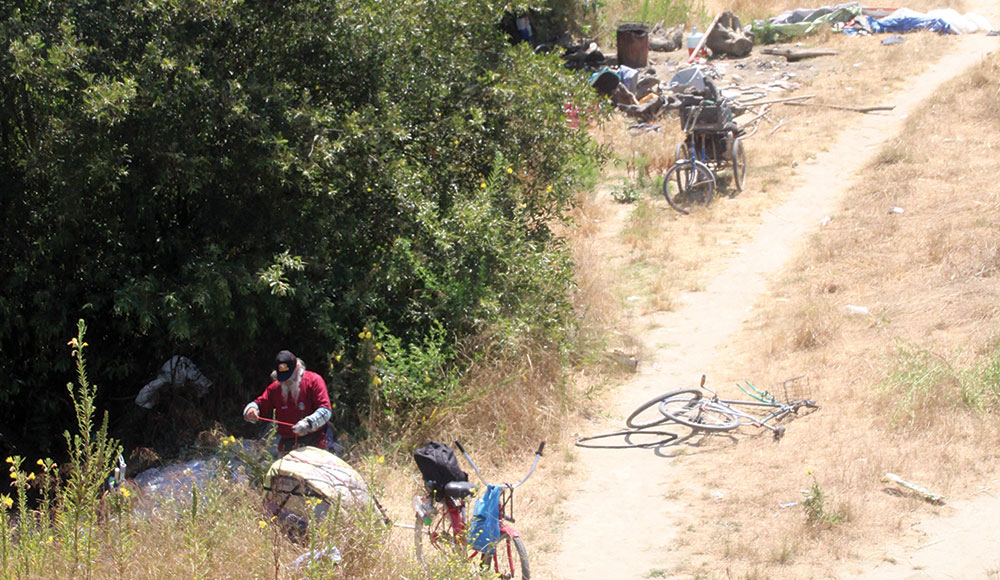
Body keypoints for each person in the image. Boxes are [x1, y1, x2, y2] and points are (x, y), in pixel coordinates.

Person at [243, 350, 332, 453]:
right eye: (283, 379)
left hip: (316, 440)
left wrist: (308, 423)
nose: (287, 382)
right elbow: (260, 403)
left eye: (290, 377)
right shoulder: (275, 388)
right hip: (290, 443)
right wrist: (252, 409)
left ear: (298, 368)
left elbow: (326, 410)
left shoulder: (314, 380)